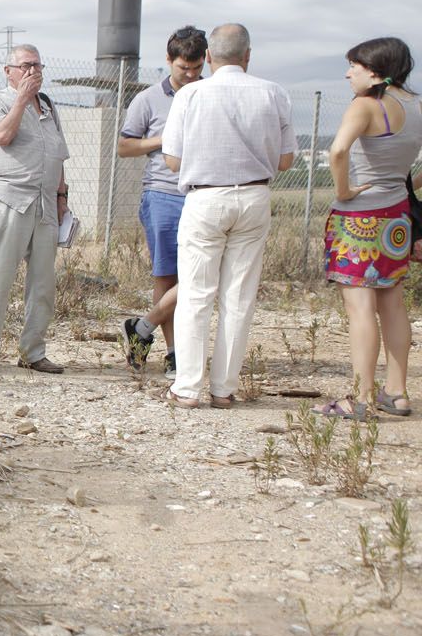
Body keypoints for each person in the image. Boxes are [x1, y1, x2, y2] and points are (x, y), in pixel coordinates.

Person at [161, 23, 296, 408]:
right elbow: (286, 160)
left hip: (206, 198)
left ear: (207, 57)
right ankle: (224, 389)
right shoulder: (274, 93)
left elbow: (172, 160)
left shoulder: (190, 95)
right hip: (254, 196)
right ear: (248, 55)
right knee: (239, 296)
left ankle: (186, 388)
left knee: (196, 295)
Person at [317, 37, 422, 419]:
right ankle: (397, 393)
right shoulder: (416, 105)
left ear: (375, 72)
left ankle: (360, 399)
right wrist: (398, 181)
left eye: (354, 67)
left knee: (360, 305)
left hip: (359, 217)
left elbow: (338, 150)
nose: (348, 73)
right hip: (396, 216)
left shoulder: (365, 105)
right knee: (392, 301)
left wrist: (344, 190)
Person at [0, 45, 71, 373]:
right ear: (8, 70)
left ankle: (33, 352)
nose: (32, 72)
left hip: (45, 204)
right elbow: (3, 136)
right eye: (25, 66)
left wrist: (62, 198)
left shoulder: (50, 106)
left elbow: (57, 154)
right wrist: (22, 99)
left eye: (37, 65)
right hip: (9, 199)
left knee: (43, 283)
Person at [119, 26, 207, 378]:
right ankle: (174, 353)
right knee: (166, 275)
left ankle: (144, 326)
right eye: (183, 68)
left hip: (203, 193)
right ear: (169, 61)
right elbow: (125, 146)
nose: (189, 75)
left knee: (200, 275)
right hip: (163, 195)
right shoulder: (147, 100)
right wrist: (164, 140)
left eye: (196, 68)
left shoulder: (208, 94)